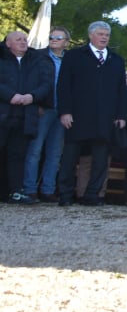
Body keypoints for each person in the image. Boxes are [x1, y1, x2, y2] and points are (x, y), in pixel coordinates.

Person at [57, 21, 127, 207]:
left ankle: (92, 195)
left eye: (107, 35)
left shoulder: (116, 59)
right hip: (78, 116)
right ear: (91, 35)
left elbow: (121, 90)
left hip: (105, 118)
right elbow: (63, 86)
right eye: (100, 34)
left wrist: (121, 115)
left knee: (100, 159)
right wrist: (65, 111)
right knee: (70, 156)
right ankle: (65, 194)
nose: (104, 37)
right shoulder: (74, 56)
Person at [1, 31, 54, 204]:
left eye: (25, 39)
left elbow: (46, 84)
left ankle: (15, 191)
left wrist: (33, 96)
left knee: (17, 155)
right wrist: (10, 95)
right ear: (8, 43)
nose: (23, 42)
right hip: (3, 113)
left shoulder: (36, 60)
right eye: (18, 39)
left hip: (24, 115)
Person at [22, 26, 69, 202]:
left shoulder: (70, 59)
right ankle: (29, 189)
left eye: (58, 38)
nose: (54, 40)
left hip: (62, 111)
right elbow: (30, 81)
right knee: (35, 150)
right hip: (43, 108)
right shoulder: (37, 56)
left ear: (66, 42)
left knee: (55, 152)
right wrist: (36, 103)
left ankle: (48, 190)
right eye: (52, 37)